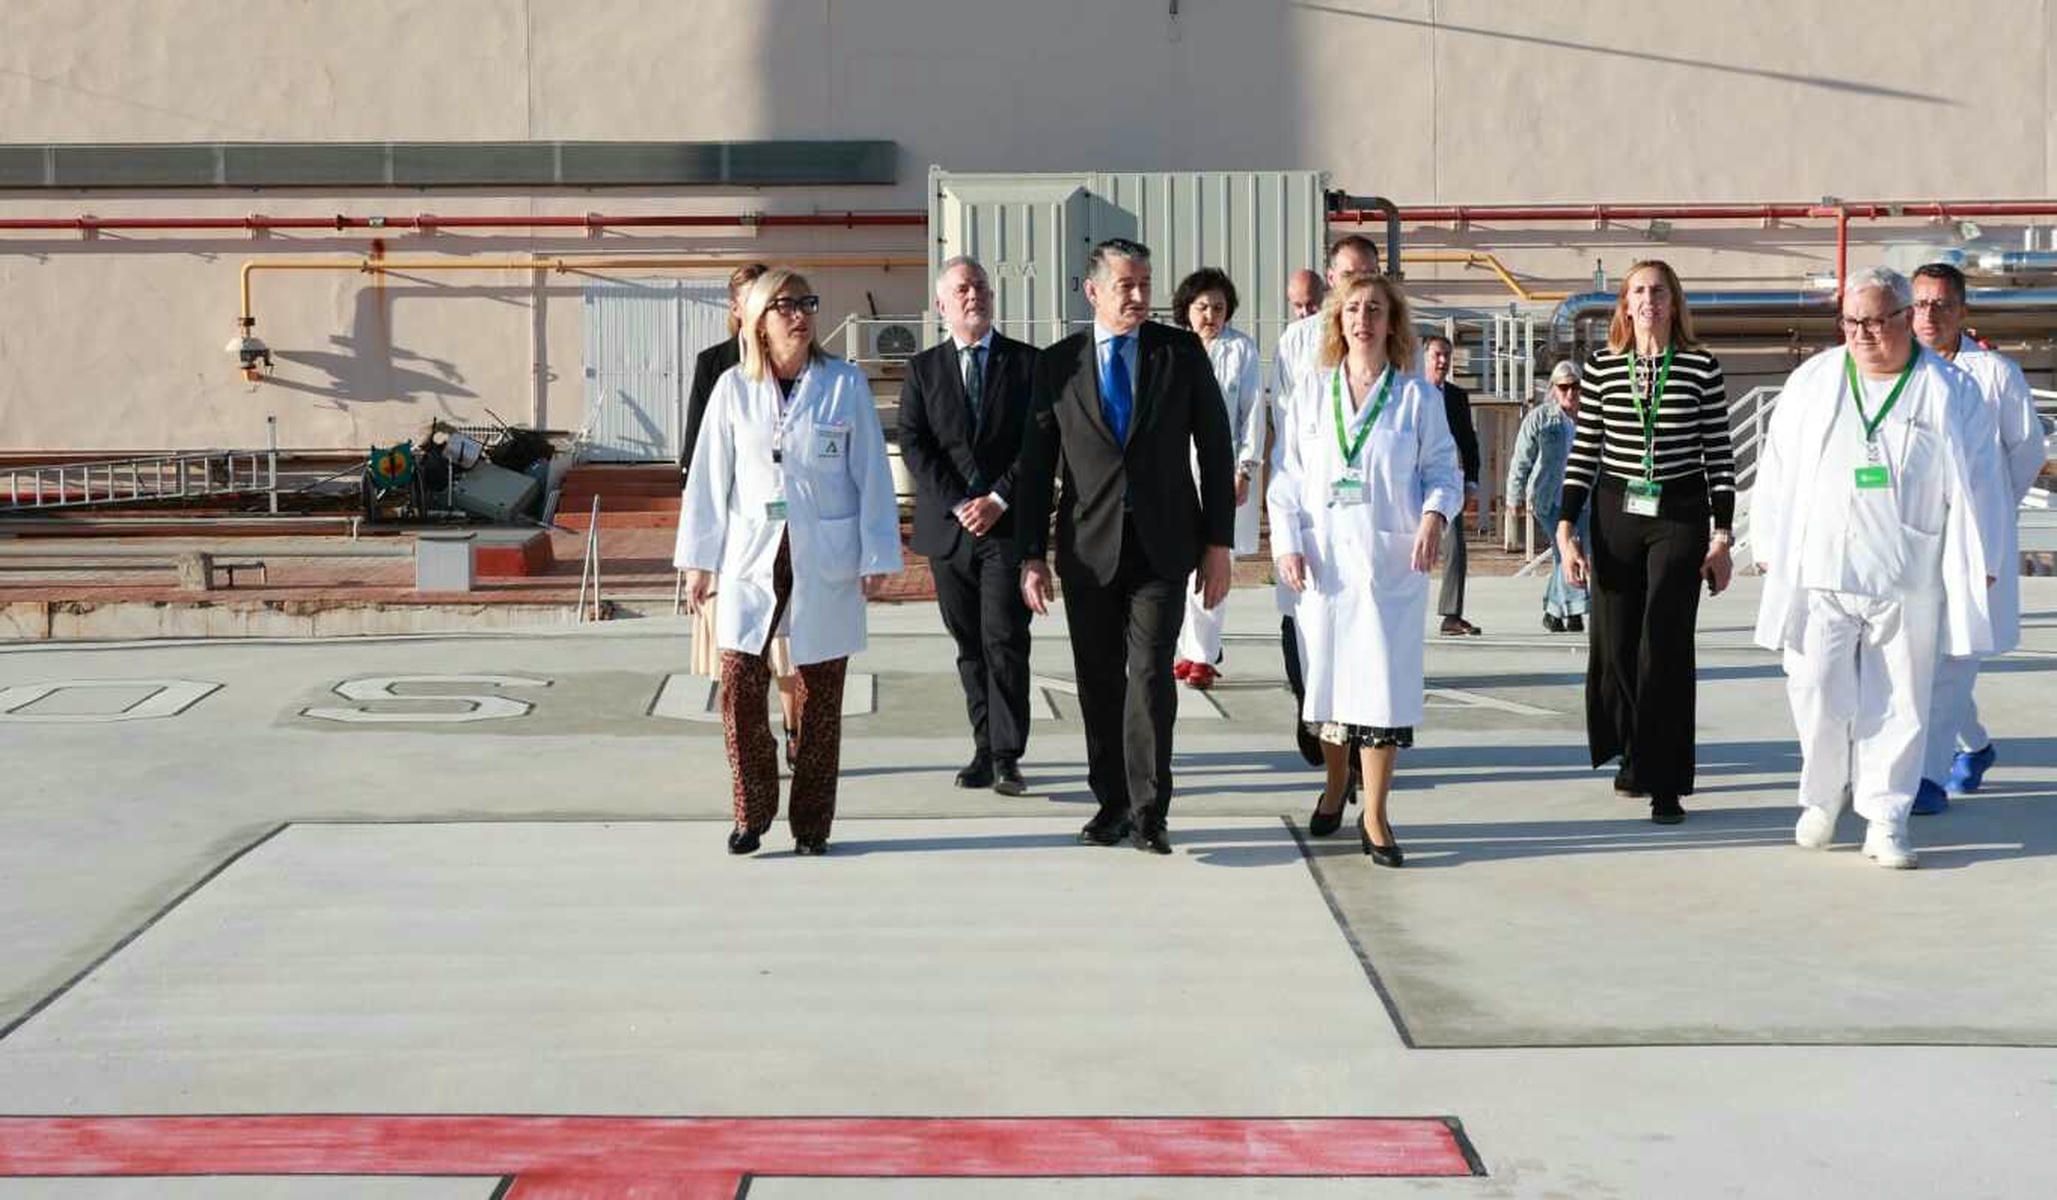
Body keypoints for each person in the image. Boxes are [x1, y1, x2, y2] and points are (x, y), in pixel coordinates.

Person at [1751, 266, 2002, 869]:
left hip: (1906, 571)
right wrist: (1767, 541)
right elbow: (1777, 465)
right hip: (1821, 569)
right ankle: (1822, 796)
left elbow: (1982, 480)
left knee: (1900, 701)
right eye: (1852, 321)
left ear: (1903, 319)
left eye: (1876, 321)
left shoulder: (1947, 389)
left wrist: (1983, 557)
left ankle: (1886, 817)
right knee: (1815, 689)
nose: (1863, 334)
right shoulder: (1814, 380)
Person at [1013, 237, 1238, 855]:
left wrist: (1218, 543)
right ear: (1093, 292)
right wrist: (1029, 554)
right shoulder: (1056, 366)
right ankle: (1109, 801)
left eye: (1145, 284)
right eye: (1126, 287)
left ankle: (1148, 810)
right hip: (1088, 549)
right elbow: (1035, 468)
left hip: (1164, 547)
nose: (1140, 297)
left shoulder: (1180, 353)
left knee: (1149, 679)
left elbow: (1216, 450)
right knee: (1099, 680)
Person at [677, 269, 903, 857]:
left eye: (806, 303)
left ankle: (812, 825)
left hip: (824, 548)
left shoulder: (843, 383)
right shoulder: (732, 387)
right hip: (750, 553)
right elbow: (708, 479)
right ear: (756, 319)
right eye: (783, 306)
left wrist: (876, 553)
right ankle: (751, 812)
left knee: (821, 695)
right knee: (738, 685)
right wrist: (699, 561)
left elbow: (872, 474)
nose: (799, 315)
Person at [1269, 272, 1463, 867]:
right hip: (1322, 565)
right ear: (1337, 321)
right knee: (1326, 689)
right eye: (1352, 309)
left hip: (1388, 565)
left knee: (1379, 693)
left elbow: (1444, 473)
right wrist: (1286, 544)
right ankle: (1335, 785)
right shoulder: (1310, 392)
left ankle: (1375, 814)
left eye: (1374, 309)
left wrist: (1433, 518)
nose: (1363, 319)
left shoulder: (1416, 398)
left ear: (1392, 323)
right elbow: (1286, 477)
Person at [1556, 260, 1737, 825]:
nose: (1649, 300)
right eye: (1639, 291)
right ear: (1625, 305)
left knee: (1663, 641)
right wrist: (1565, 530)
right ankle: (1632, 751)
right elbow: (1584, 452)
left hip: (1678, 512)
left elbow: (1720, 457)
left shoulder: (1700, 368)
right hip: (1616, 512)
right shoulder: (1605, 368)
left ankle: (1666, 779)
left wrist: (1723, 534)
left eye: (1659, 291)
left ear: (1674, 302)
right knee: (1615, 644)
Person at [897, 256, 1038, 796]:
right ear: (941, 305)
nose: (972, 294)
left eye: (979, 285)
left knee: (1004, 638)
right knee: (969, 644)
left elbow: (1037, 440)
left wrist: (1000, 496)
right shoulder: (924, 369)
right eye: (961, 289)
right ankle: (983, 746)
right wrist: (959, 502)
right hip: (949, 530)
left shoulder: (1027, 364)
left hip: (1005, 527)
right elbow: (915, 441)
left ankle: (1007, 755)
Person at [1908, 262, 2045, 812]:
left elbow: (2027, 450)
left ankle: (1927, 777)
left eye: (1941, 304)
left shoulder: (1995, 373)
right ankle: (1976, 746)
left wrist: (1987, 515)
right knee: (1923, 655)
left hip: (1975, 544)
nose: (1928, 315)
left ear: (1962, 311)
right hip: (1913, 538)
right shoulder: (1899, 369)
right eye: (1918, 304)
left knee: (1958, 653)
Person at [679, 263, 800, 765]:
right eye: (755, 300)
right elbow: (701, 461)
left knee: (790, 655)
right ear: (738, 309)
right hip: (738, 540)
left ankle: (797, 732)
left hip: (793, 537)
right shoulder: (719, 370)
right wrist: (699, 552)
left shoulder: (809, 370)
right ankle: (755, 748)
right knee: (740, 660)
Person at [1272, 236, 1380, 764]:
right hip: (1315, 508)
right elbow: (1289, 439)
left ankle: (1359, 744)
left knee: (1366, 638)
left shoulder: (1394, 343)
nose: (1356, 285)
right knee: (1303, 623)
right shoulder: (1297, 343)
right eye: (1347, 275)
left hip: (1370, 520)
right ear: (1329, 279)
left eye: (1368, 274)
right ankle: (1310, 710)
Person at [1170, 267, 1265, 690]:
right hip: (1175, 470)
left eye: (1219, 307)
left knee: (1215, 560)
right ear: (1186, 310)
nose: (1210, 315)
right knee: (1179, 563)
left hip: (1224, 470)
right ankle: (1189, 649)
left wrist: (1245, 468)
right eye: (1202, 307)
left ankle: (1203, 657)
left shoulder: (1241, 350)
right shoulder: (1172, 349)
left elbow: (1252, 416)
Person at [1506, 361, 1589, 632]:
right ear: (1554, 389)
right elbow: (1522, 459)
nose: (1570, 393)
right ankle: (1574, 611)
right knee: (1566, 549)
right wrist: (1514, 496)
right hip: (1549, 498)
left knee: (1568, 553)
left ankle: (1555, 611)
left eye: (1575, 387)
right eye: (1564, 387)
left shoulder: (1591, 419)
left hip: (1583, 498)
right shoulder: (1540, 419)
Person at [1423, 333, 1483, 636]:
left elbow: (1469, 443)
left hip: (1446, 484)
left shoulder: (1457, 397)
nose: (1443, 361)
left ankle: (1451, 614)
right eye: (1437, 355)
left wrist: (1471, 479)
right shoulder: (1410, 391)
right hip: (1411, 482)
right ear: (1425, 357)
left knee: (1456, 548)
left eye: (1447, 355)